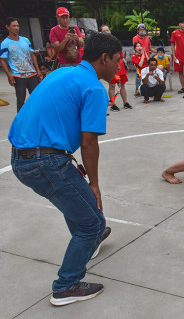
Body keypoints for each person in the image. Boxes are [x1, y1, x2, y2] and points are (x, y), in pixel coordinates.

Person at [8, 31, 120, 306]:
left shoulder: (62, 72)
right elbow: (89, 143)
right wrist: (94, 184)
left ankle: (92, 233)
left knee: (83, 210)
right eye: (117, 60)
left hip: (21, 157)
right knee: (91, 222)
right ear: (104, 58)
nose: (120, 65)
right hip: (45, 163)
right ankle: (66, 285)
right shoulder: (94, 88)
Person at [0, 17, 41, 112]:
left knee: (37, 97)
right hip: (19, 76)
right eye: (13, 26)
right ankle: (21, 121)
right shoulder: (5, 43)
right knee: (20, 100)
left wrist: (38, 70)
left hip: (32, 74)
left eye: (17, 25)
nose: (16, 28)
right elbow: (2, 60)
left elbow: (32, 55)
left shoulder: (25, 40)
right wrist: (9, 75)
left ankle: (36, 116)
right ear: (7, 27)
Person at [101, 25, 132, 111]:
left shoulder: (115, 41)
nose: (106, 32)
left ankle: (125, 102)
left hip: (120, 67)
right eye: (104, 31)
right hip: (111, 67)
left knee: (122, 85)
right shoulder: (101, 44)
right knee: (112, 85)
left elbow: (121, 54)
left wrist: (125, 65)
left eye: (107, 30)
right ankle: (112, 104)